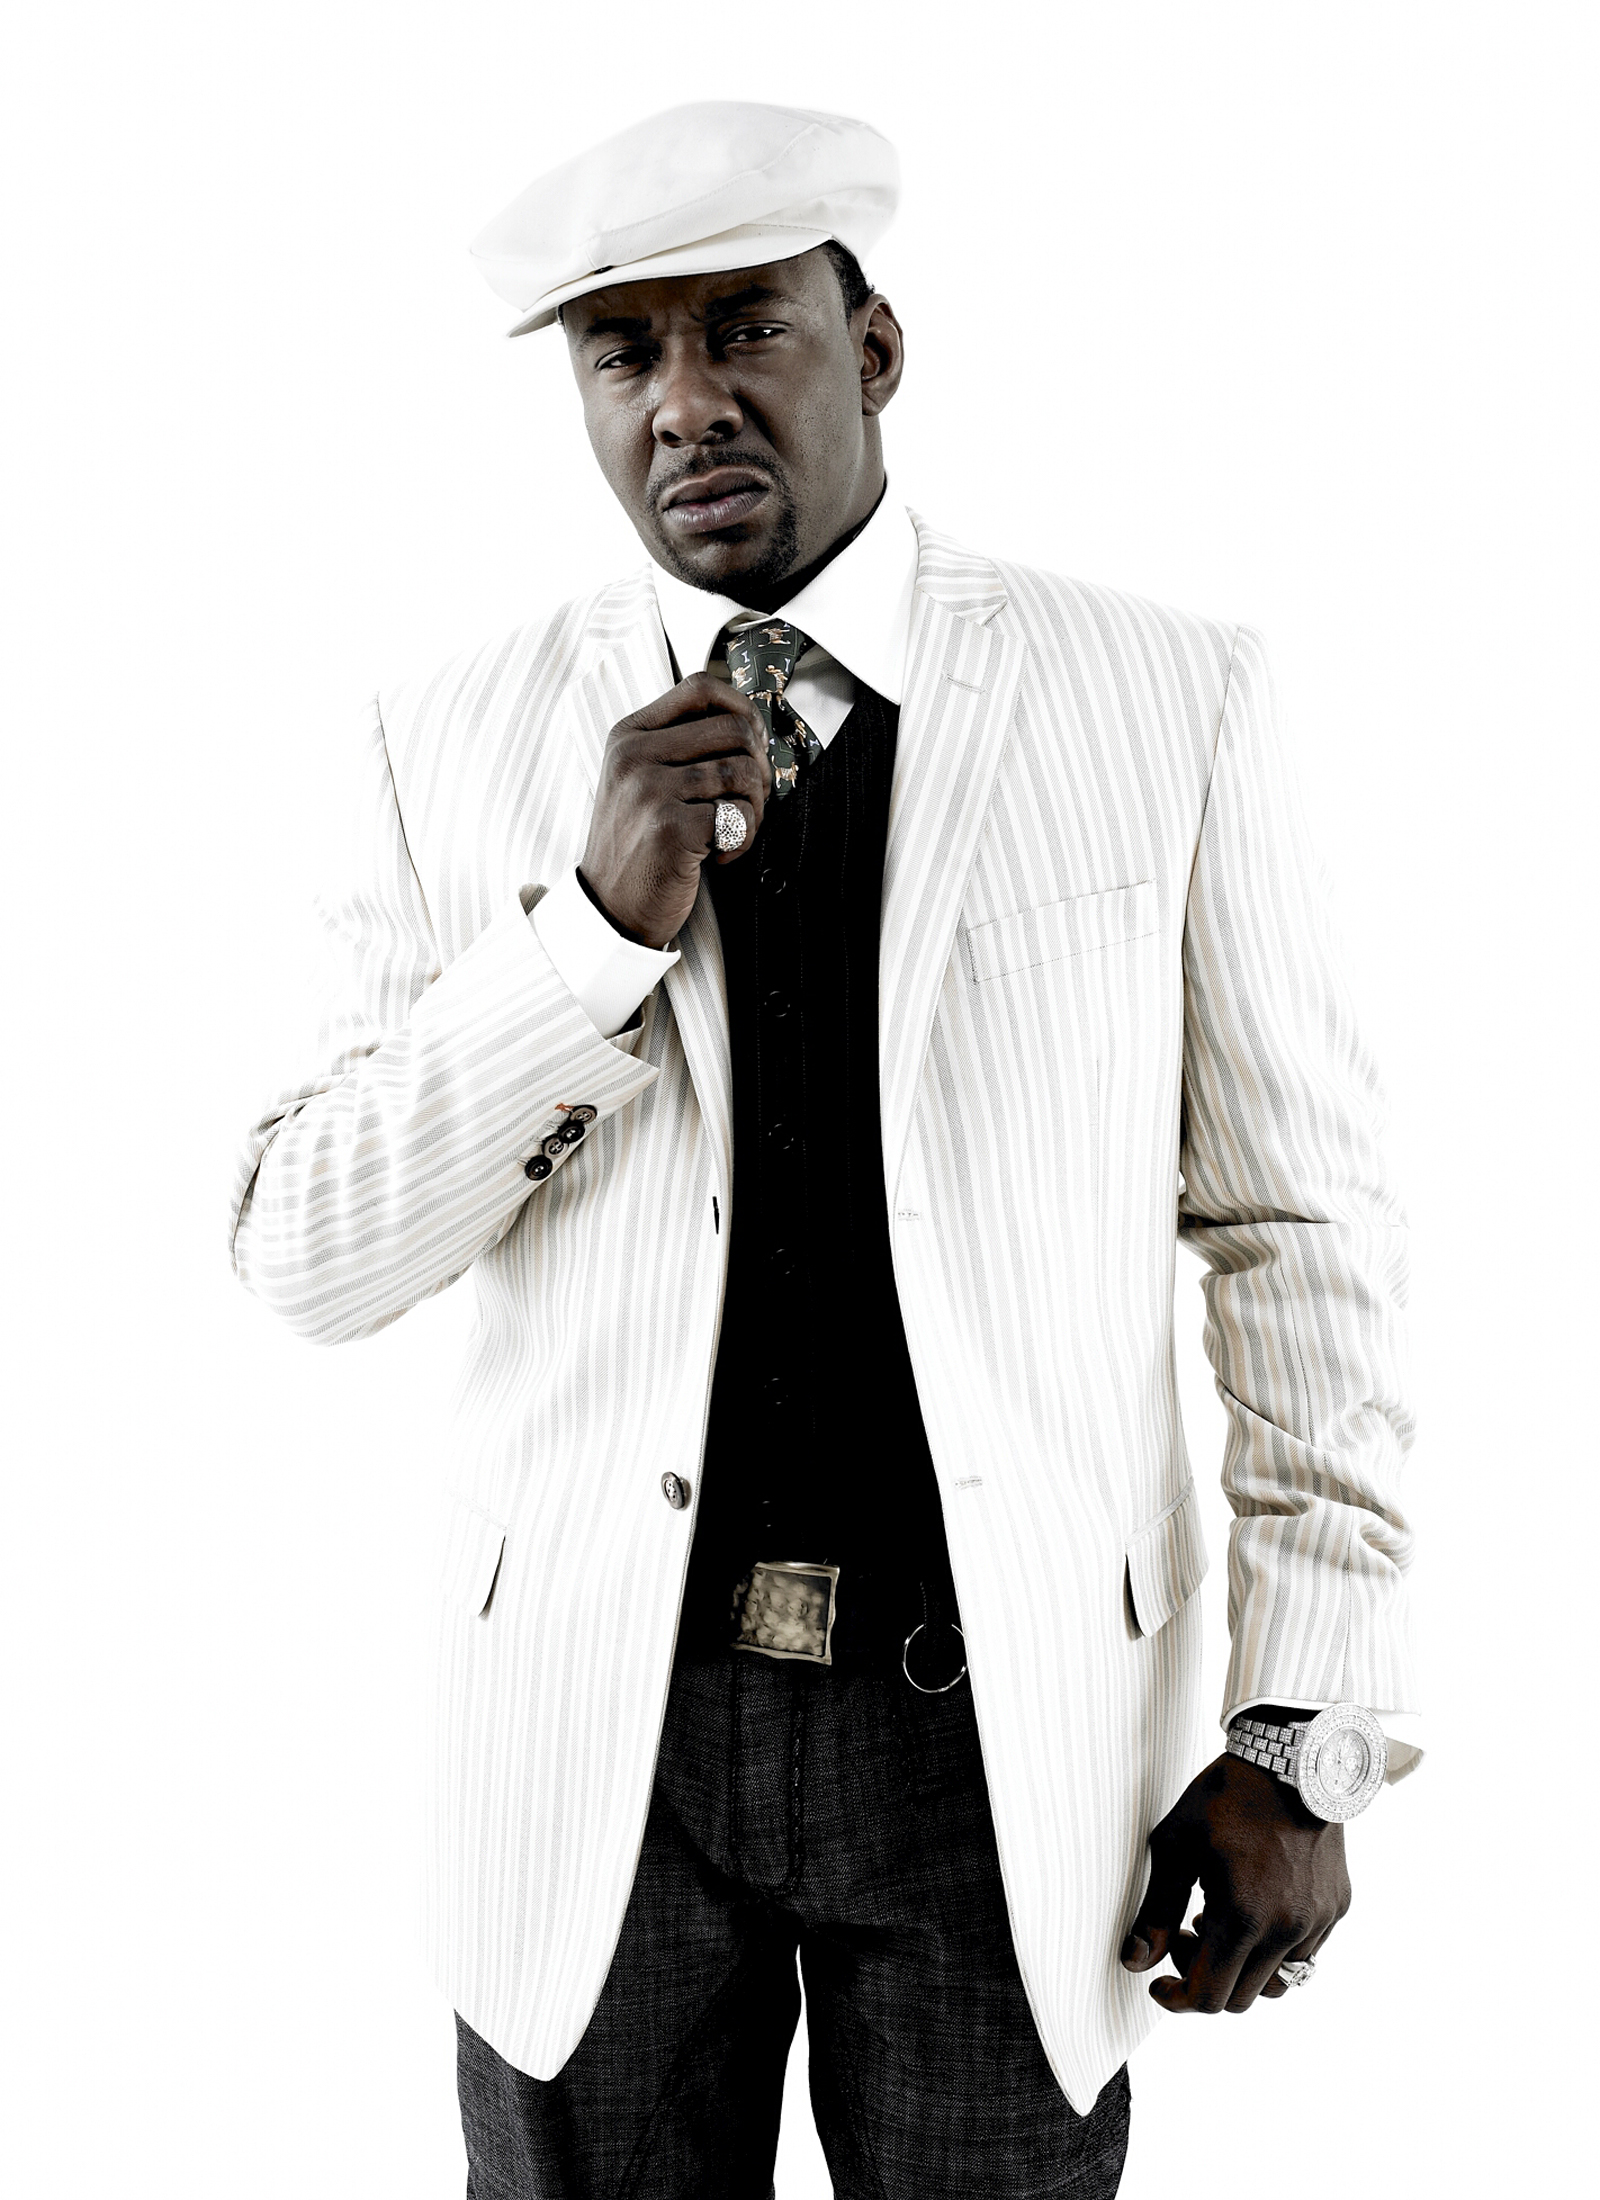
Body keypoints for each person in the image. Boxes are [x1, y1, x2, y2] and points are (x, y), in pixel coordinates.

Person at [230, 99, 1421, 2199]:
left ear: (871, 347)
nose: (682, 403)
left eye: (743, 330)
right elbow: (307, 1251)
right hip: (594, 1745)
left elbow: (1295, 1232)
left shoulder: (1164, 698)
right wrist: (583, 944)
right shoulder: (445, 738)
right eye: (622, 352)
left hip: (1000, 1738)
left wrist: (1300, 1725)